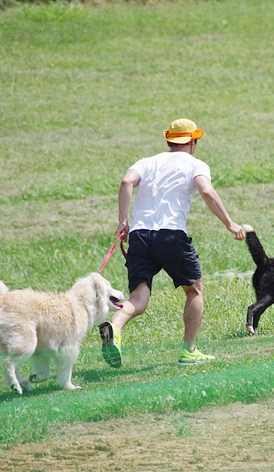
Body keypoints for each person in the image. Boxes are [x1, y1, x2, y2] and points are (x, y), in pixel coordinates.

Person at [100, 118, 245, 367]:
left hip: (140, 235)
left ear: (169, 140)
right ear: (193, 141)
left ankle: (115, 327)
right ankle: (189, 352)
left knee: (138, 297)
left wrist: (123, 221)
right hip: (170, 236)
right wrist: (230, 223)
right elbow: (207, 192)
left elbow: (126, 182)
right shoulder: (195, 164)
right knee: (194, 290)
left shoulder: (147, 162)